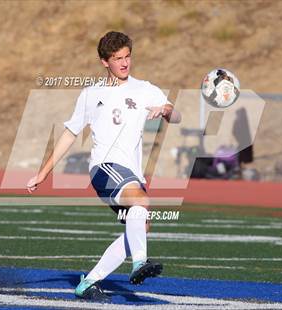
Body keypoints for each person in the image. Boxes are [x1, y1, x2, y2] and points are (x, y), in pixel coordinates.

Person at [27, 31, 181, 301]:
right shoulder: (91, 94)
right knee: (141, 203)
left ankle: (89, 282)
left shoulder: (145, 89)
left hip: (130, 172)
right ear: (104, 62)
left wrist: (167, 111)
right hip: (104, 168)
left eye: (127, 57)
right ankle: (139, 263)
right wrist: (43, 172)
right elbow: (69, 135)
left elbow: (175, 114)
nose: (124, 63)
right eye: (117, 58)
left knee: (140, 227)